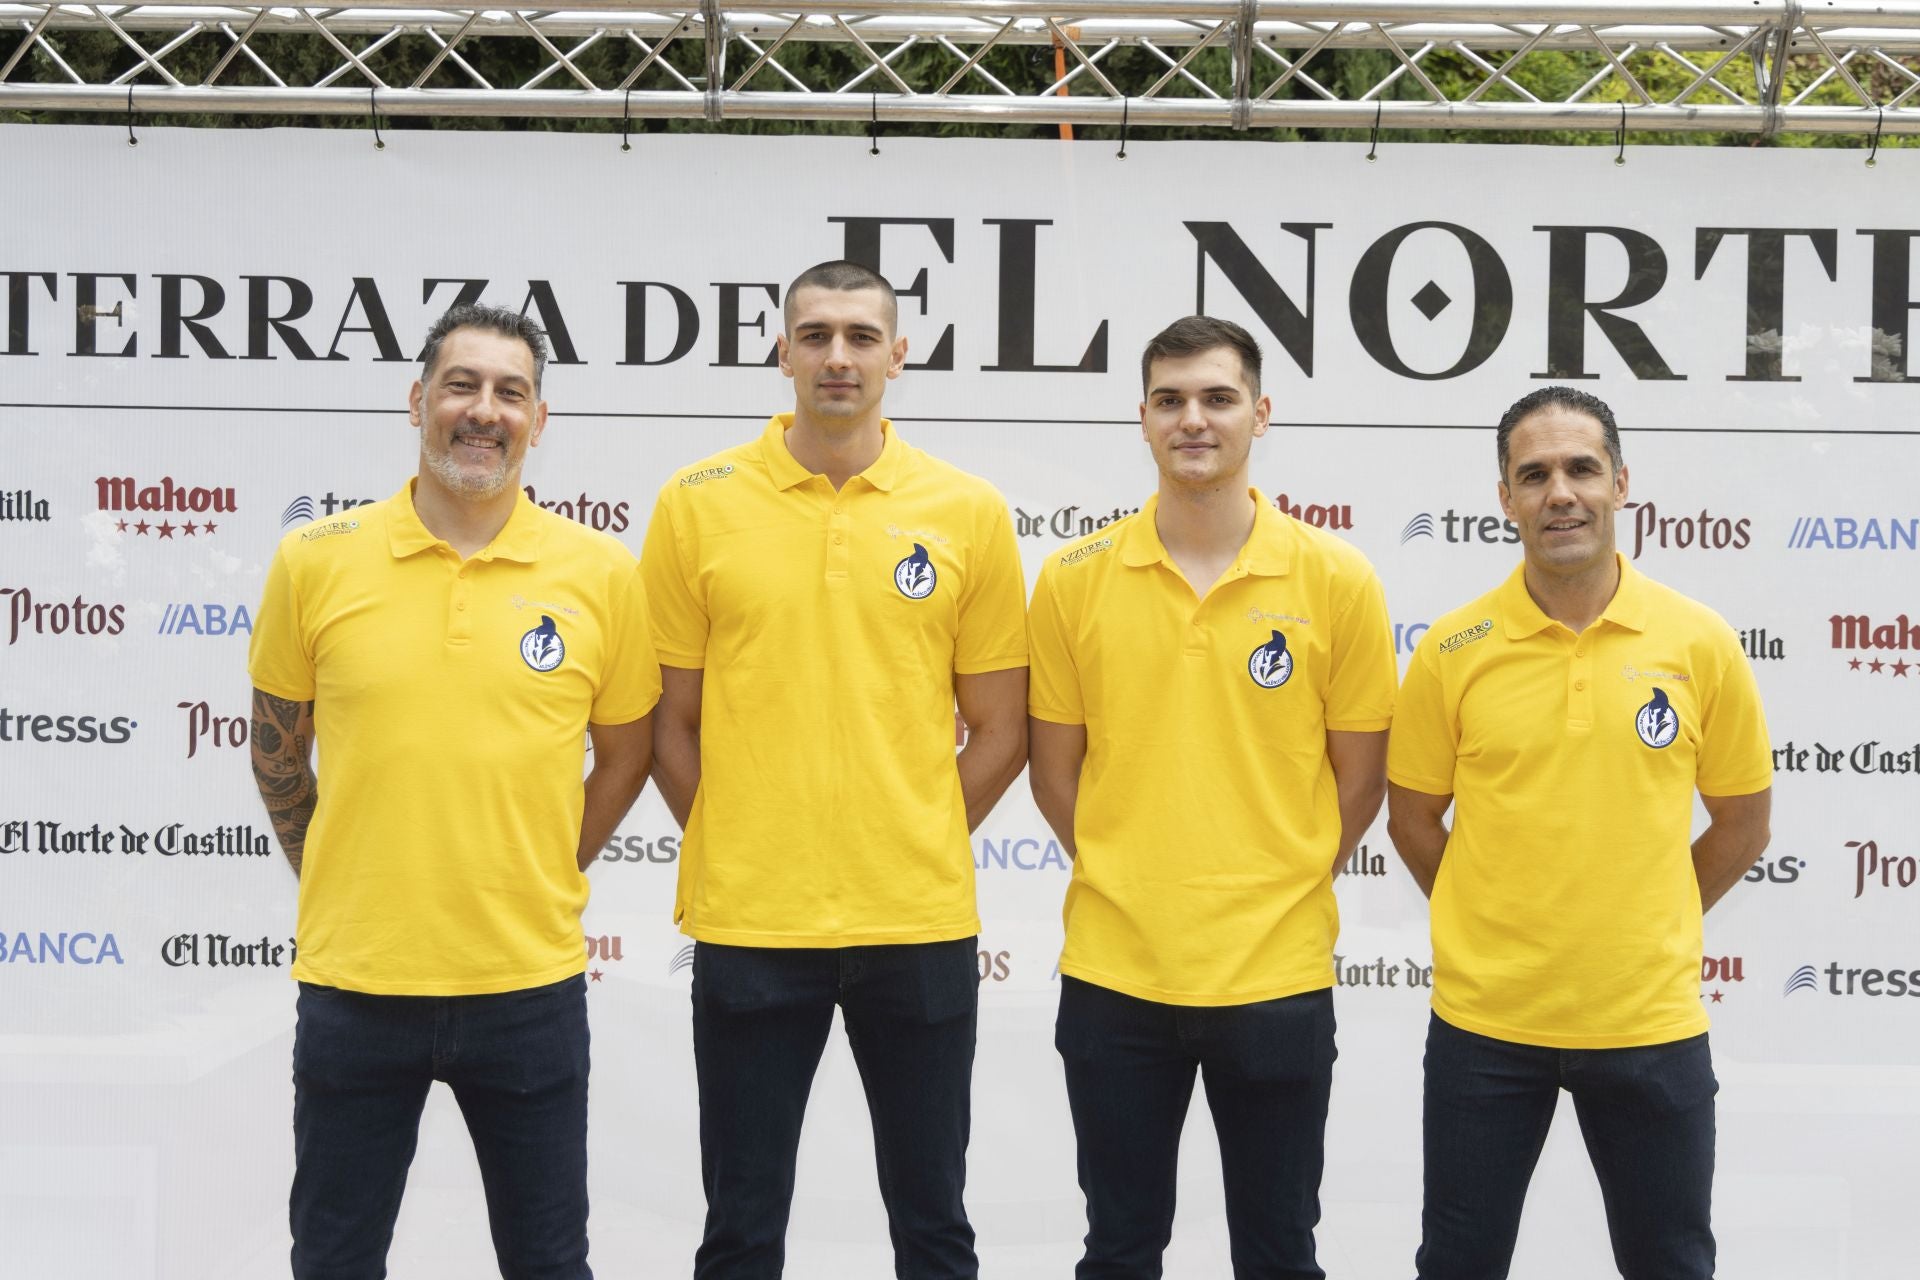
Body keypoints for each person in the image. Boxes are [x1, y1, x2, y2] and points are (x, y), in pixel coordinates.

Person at [247, 303, 660, 1280]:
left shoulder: (600, 572)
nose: (484, 410)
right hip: (357, 987)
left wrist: (541, 865)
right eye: (461, 385)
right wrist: (339, 874)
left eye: (509, 391)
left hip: (528, 985)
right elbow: (276, 753)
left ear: (539, 419)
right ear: (417, 401)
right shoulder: (315, 561)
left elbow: (629, 752)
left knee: (550, 1261)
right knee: (335, 1259)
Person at [639, 260, 1030, 1280]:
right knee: (740, 1229)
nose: (838, 356)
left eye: (862, 335)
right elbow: (668, 723)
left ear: (901, 355)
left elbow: (999, 727)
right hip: (750, 926)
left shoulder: (969, 510)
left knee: (934, 1227)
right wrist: (736, 831)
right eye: (815, 334)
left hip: (919, 921)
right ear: (782, 352)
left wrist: (915, 830)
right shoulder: (695, 503)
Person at [1026, 315, 1397, 1280]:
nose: (1195, 419)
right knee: (1117, 1252)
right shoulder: (1072, 580)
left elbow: (1359, 783)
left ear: (1261, 414)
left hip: (1276, 978)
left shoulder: (1337, 579)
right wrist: (1132, 872)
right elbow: (1054, 774)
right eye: (1171, 400)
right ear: (1142, 421)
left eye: (1218, 398)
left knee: (1279, 1256)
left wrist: (1275, 877)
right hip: (1115, 973)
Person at [1386, 386, 1773, 1280]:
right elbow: (1410, 817)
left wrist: (1652, 915)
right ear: (1506, 499)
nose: (1559, 491)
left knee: (1671, 1263)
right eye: (1534, 474)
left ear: (1621, 482)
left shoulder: (1699, 642)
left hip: (1649, 1025)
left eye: (1581, 468)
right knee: (1457, 1263)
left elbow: (1744, 822)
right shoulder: (1453, 649)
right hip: (1485, 1025)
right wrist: (1491, 917)